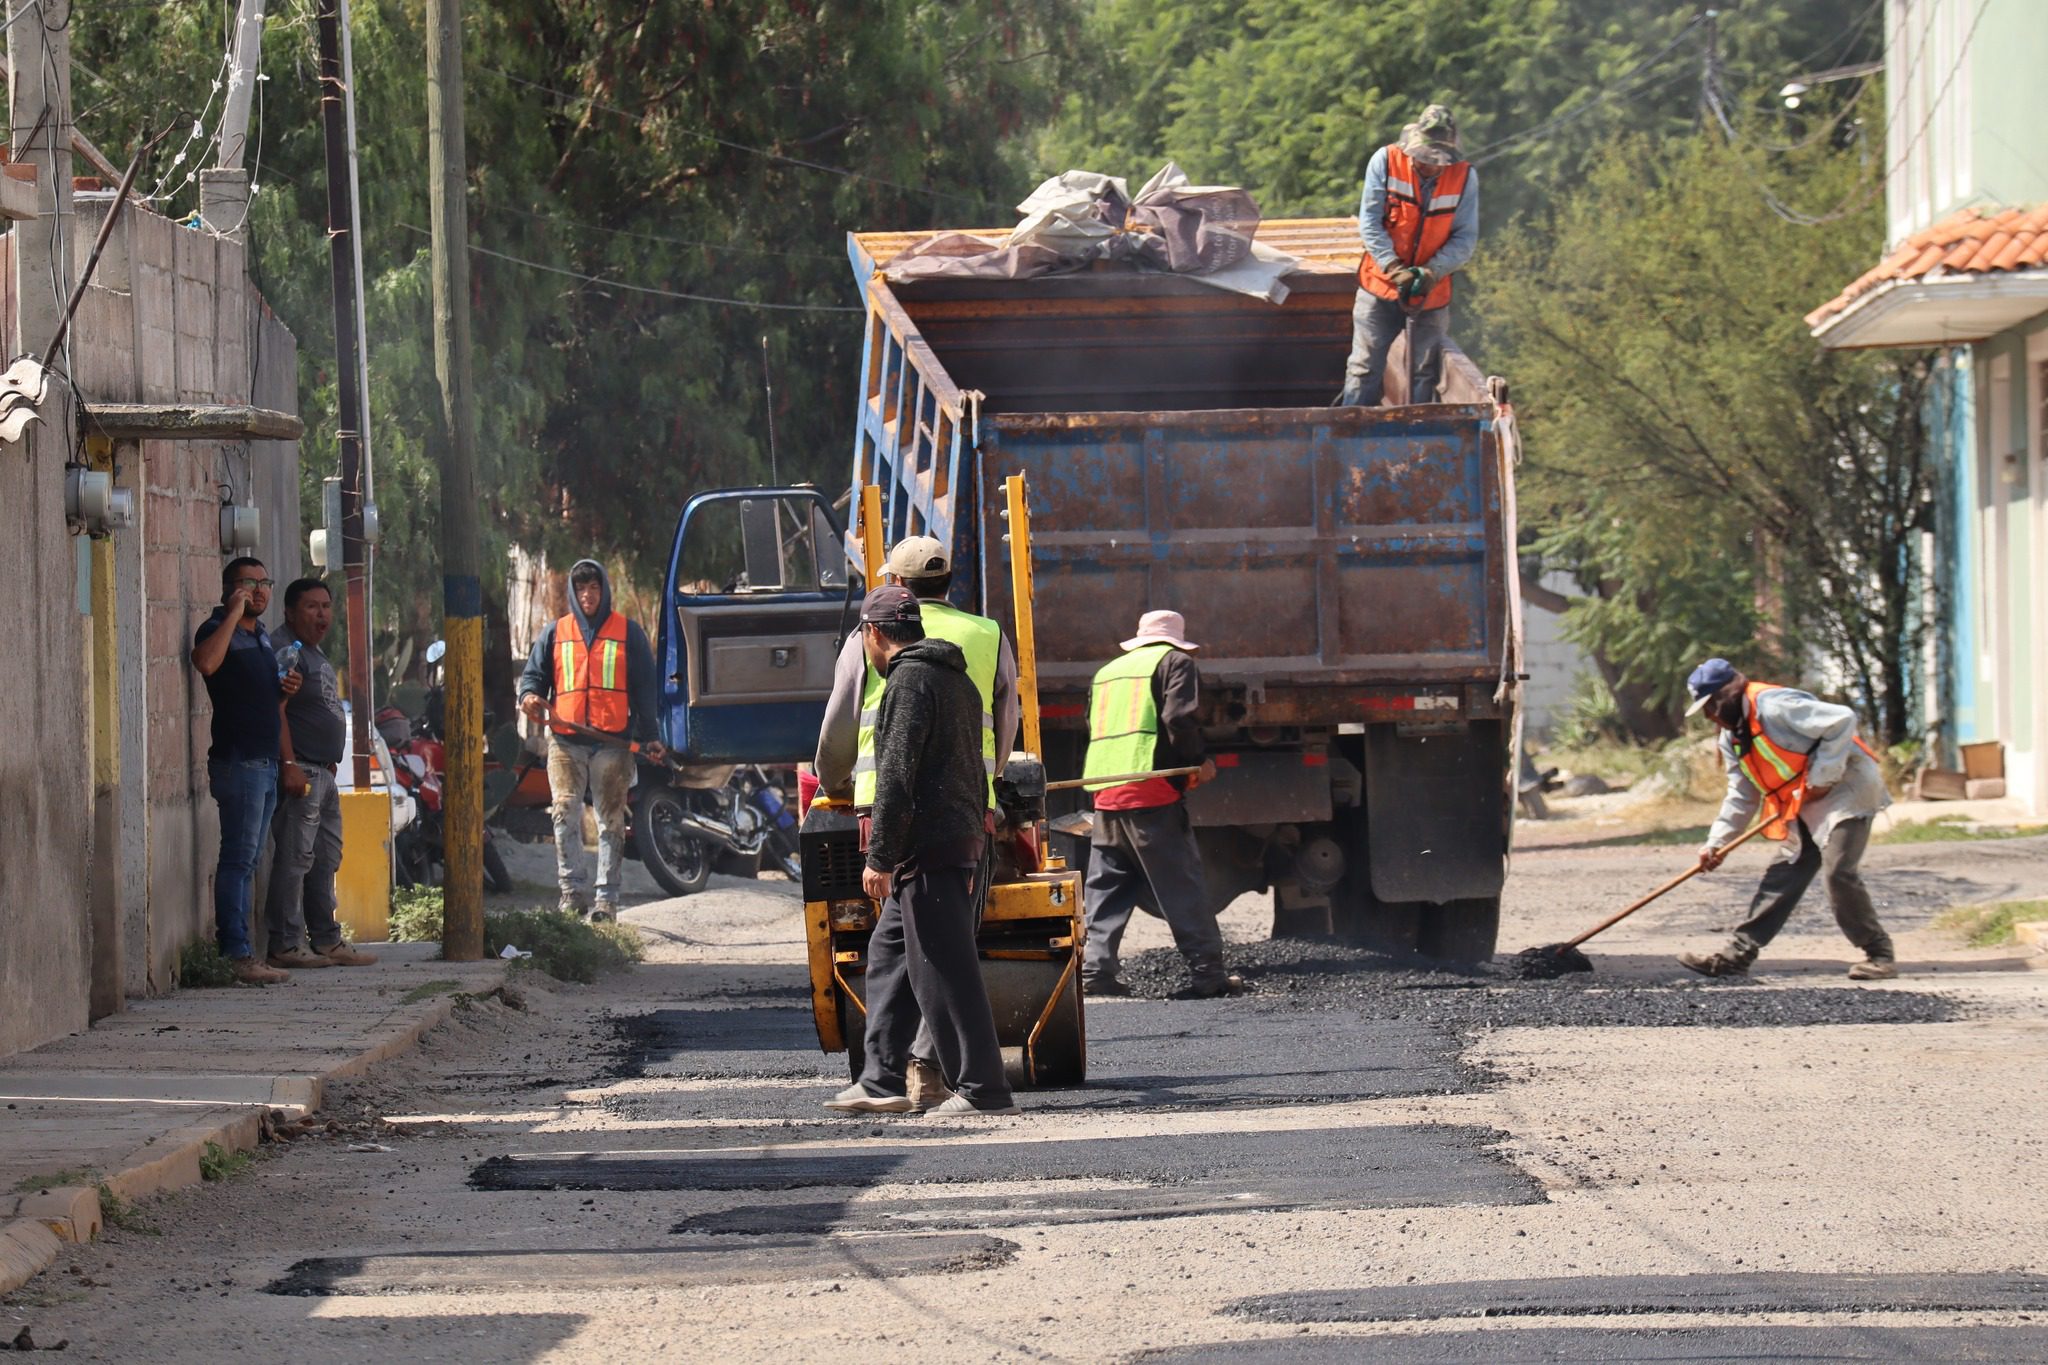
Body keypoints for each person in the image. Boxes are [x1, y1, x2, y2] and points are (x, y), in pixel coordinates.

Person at [814, 535, 1021, 1111]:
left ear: (877, 631)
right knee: (891, 955)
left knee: (945, 966)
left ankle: (982, 1088)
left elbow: (896, 774)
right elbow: (1003, 730)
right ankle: (880, 1079)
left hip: (920, 833)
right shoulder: (966, 658)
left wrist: (878, 855)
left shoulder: (907, 680)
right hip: (960, 820)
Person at [1677, 657, 1897, 980]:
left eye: (1712, 706)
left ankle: (1880, 954)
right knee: (1783, 876)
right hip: (1805, 801)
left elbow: (1841, 720)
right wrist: (1717, 844)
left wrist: (1823, 777)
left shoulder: (1775, 706)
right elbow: (1741, 794)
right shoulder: (1732, 740)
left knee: (1838, 871)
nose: (1712, 716)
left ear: (1728, 694)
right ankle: (1737, 955)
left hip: (1846, 789)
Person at [1079, 610, 1242, 999]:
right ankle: (1208, 975)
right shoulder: (1175, 662)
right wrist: (1194, 765)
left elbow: (1094, 725)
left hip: (1106, 791)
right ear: (1176, 640)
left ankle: (1095, 973)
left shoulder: (1110, 671)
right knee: (1180, 884)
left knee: (1106, 888)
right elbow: (1178, 719)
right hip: (1150, 793)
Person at [517, 560, 665, 921]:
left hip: (613, 743)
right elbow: (532, 679)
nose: (588, 595)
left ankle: (606, 902)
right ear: (573, 592)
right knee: (564, 811)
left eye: (594, 587)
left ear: (604, 591)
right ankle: (572, 894)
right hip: (565, 742)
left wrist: (652, 737)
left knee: (609, 820)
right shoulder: (554, 633)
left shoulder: (628, 634)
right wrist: (530, 697)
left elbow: (646, 691)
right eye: (581, 588)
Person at [190, 557, 301, 986]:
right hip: (240, 761)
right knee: (237, 859)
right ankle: (235, 953)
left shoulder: (260, 640)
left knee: (251, 858)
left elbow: (268, 701)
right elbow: (205, 663)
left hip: (266, 761)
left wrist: (286, 690)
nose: (258, 590)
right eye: (247, 583)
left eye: (264, 582)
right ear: (228, 589)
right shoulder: (218, 628)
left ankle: (244, 952)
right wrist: (233, 614)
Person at [263, 578, 378, 970]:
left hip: (324, 773)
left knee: (326, 858)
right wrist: (289, 764)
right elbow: (275, 710)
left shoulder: (312, 652)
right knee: (296, 859)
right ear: (291, 612)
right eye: (311, 607)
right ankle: (286, 943)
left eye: (326, 606)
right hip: (302, 772)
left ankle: (326, 939)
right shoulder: (285, 650)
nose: (322, 614)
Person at [1335, 104, 1478, 409]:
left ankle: (1414, 438)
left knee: (1423, 373)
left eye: (1440, 161)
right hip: (1379, 286)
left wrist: (1431, 272)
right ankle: (1348, 431)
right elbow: (1370, 223)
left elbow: (1465, 239)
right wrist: (1394, 268)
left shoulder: (1464, 178)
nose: (1432, 166)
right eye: (1426, 159)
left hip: (1431, 293)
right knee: (1363, 368)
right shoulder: (1385, 161)